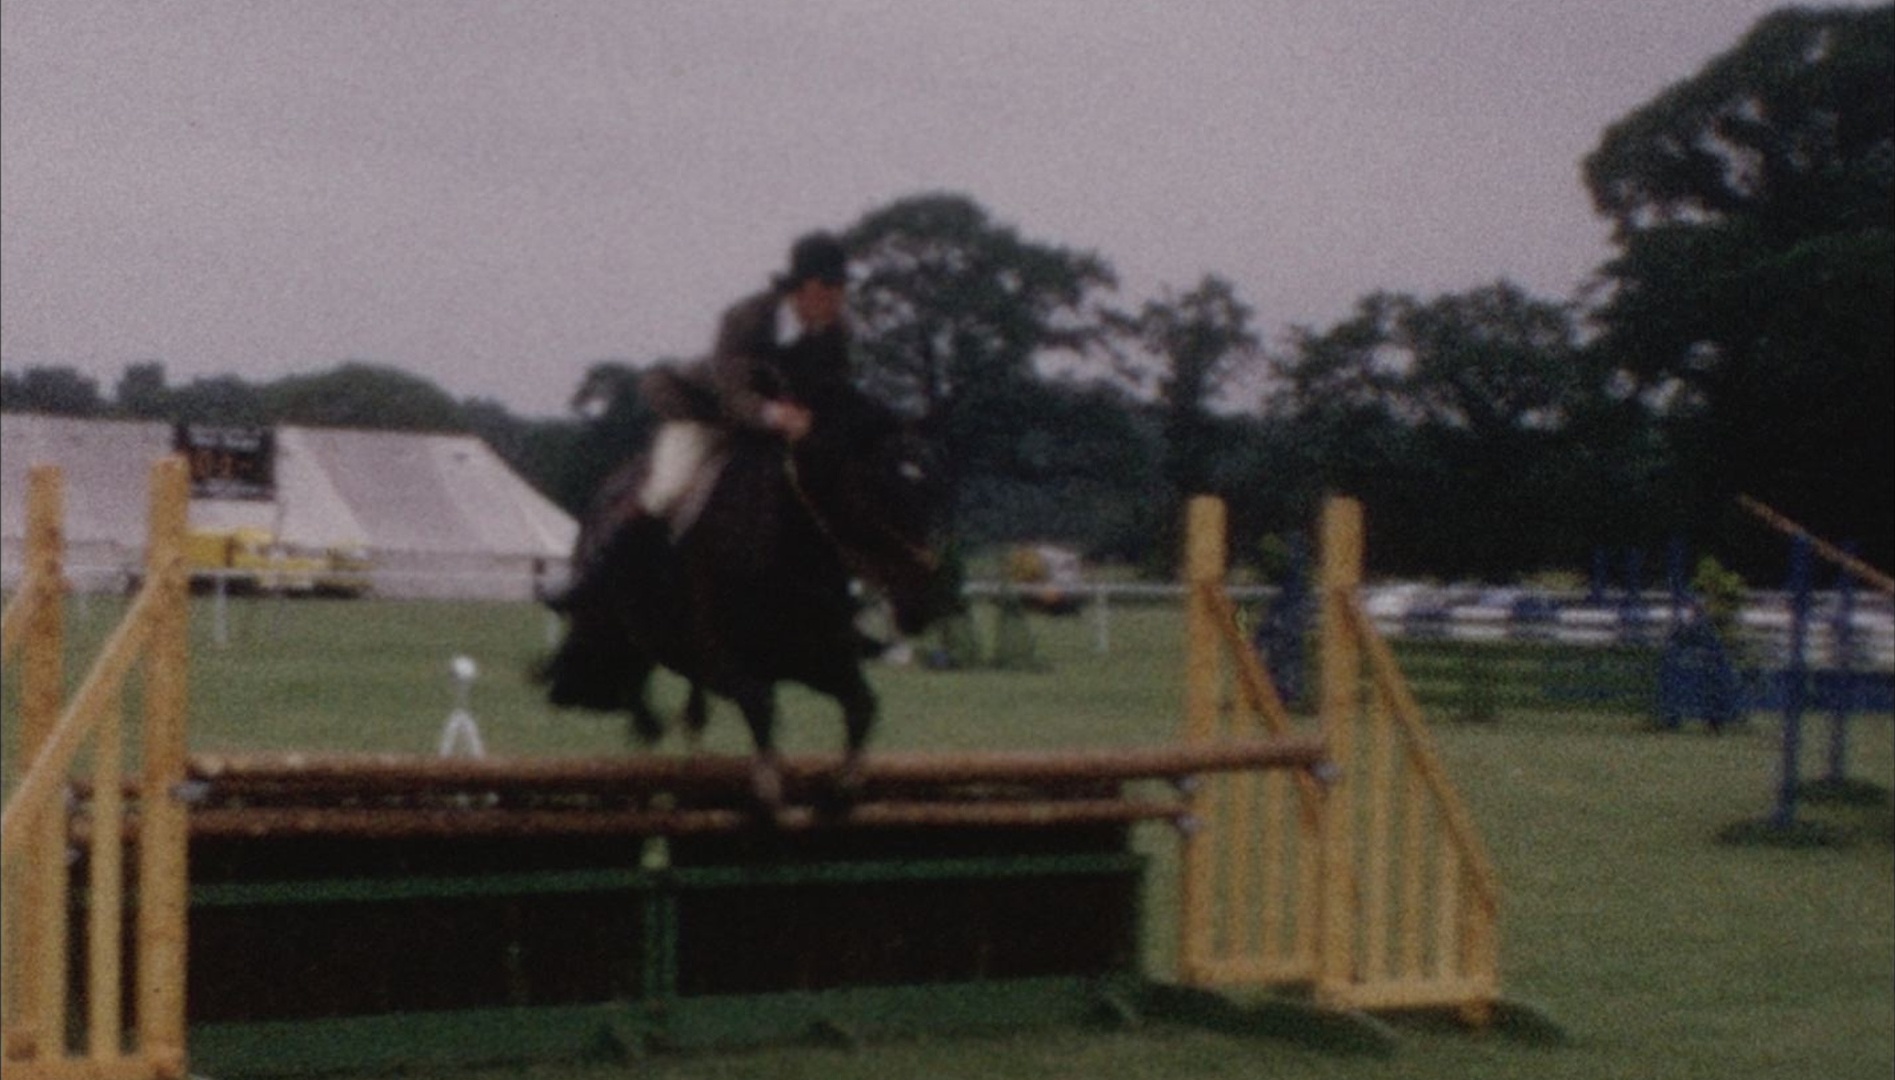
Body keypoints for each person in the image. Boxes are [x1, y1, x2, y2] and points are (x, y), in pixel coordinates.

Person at [637, 231, 856, 525]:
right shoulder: (746, 318)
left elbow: (836, 390)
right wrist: (776, 415)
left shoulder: (836, 331)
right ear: (800, 287)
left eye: (841, 286)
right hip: (705, 411)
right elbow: (735, 394)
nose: (837, 297)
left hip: (776, 426)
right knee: (667, 493)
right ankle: (630, 548)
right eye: (828, 286)